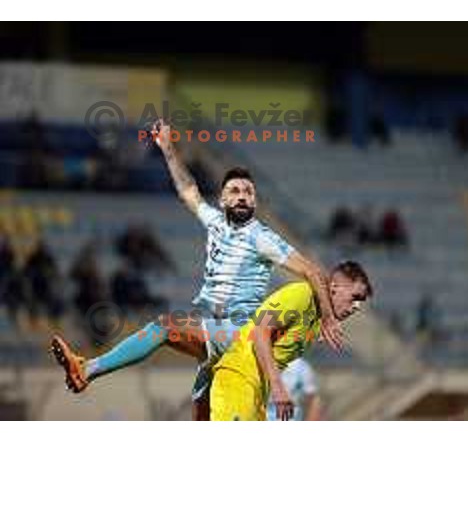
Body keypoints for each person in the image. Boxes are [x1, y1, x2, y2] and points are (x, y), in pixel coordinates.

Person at [50, 117, 343, 420]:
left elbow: (312, 271)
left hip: (240, 330)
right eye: (235, 190)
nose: (243, 195)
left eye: (249, 192)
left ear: (255, 202)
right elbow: (188, 191)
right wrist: (167, 148)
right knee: (201, 412)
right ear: (223, 199)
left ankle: (87, 369)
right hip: (217, 332)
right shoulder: (215, 222)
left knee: (165, 326)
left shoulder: (261, 236)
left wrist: (329, 317)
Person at [209, 261, 372, 421]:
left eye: (361, 301)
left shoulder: (316, 319)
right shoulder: (301, 293)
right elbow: (259, 331)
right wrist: (278, 388)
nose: (357, 306)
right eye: (355, 297)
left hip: (257, 391)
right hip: (238, 380)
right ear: (334, 286)